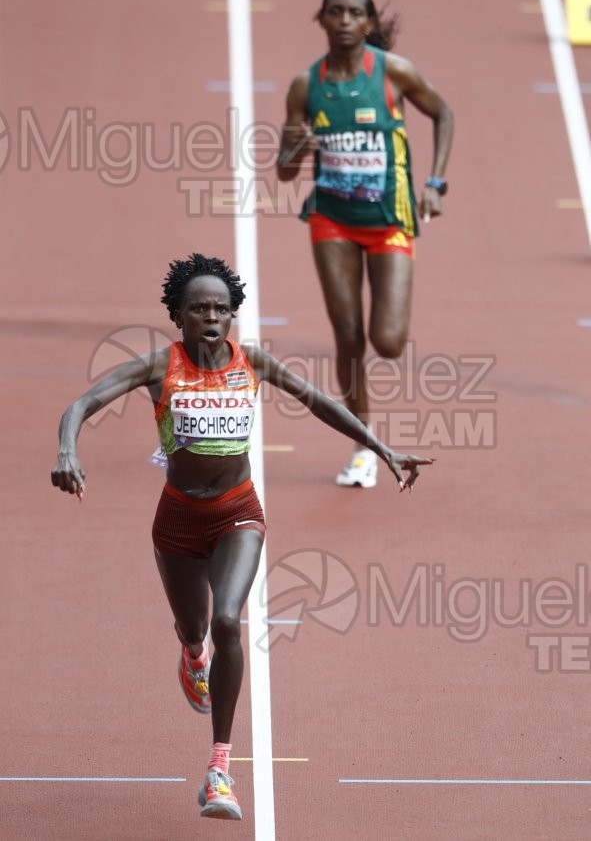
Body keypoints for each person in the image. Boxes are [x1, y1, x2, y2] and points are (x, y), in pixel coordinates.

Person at [51, 253, 433, 821]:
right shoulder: (159, 366)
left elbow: (318, 401)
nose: (212, 317)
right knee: (196, 626)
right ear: (178, 316)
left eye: (222, 309)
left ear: (233, 317)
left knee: (230, 619)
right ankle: (190, 653)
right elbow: (81, 404)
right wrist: (67, 450)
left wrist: (380, 447)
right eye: (199, 308)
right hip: (177, 520)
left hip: (238, 514)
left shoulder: (252, 360)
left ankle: (219, 770)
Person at [276, 0, 454, 489]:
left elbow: (443, 113)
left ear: (370, 22)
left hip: (391, 218)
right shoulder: (305, 86)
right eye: (336, 12)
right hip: (331, 219)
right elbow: (285, 172)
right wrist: (298, 148)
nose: (346, 21)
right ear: (323, 20)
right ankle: (364, 446)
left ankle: (365, 435)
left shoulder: (394, 73)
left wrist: (436, 183)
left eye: (356, 13)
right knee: (349, 336)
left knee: (389, 341)